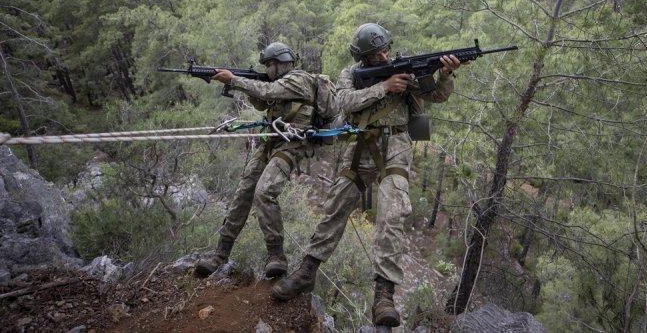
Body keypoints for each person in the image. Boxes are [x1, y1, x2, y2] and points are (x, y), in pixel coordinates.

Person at [271, 23, 460, 327]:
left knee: (393, 211)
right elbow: (343, 101)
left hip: (396, 147)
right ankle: (307, 271)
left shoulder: (404, 68)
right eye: (376, 54)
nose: (385, 56)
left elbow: (436, 95)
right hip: (360, 146)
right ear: (364, 57)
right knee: (335, 206)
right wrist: (384, 88)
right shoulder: (351, 74)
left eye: (386, 49)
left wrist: (446, 75)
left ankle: (384, 295)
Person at [194, 42, 335, 279]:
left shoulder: (298, 80)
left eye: (271, 64)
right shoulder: (276, 82)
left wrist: (234, 80)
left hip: (292, 145)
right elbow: (262, 101)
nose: (268, 69)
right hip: (270, 141)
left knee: (264, 191)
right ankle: (220, 254)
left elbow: (268, 92)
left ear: (283, 63)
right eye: (266, 66)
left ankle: (276, 256)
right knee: (244, 192)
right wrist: (241, 84)